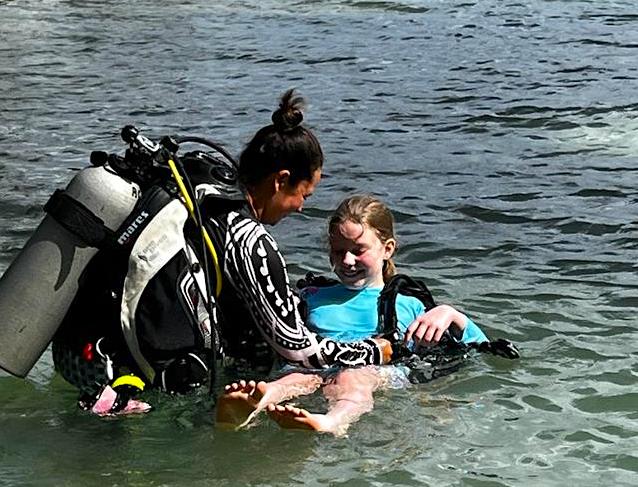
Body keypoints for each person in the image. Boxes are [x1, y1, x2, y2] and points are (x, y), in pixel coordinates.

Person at [51, 89, 394, 414]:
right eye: (304, 194)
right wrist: (376, 349)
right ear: (280, 179)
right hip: (121, 377)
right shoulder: (248, 236)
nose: (301, 208)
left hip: (79, 351)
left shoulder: (201, 193)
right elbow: (298, 348)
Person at [215, 195, 488, 435]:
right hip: (314, 366)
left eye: (358, 251)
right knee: (296, 377)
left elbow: (481, 347)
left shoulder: (407, 303)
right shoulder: (312, 296)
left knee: (352, 378)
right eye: (338, 251)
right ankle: (256, 402)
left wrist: (450, 314)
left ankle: (334, 421)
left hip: (375, 371)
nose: (347, 261)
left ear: (388, 248)